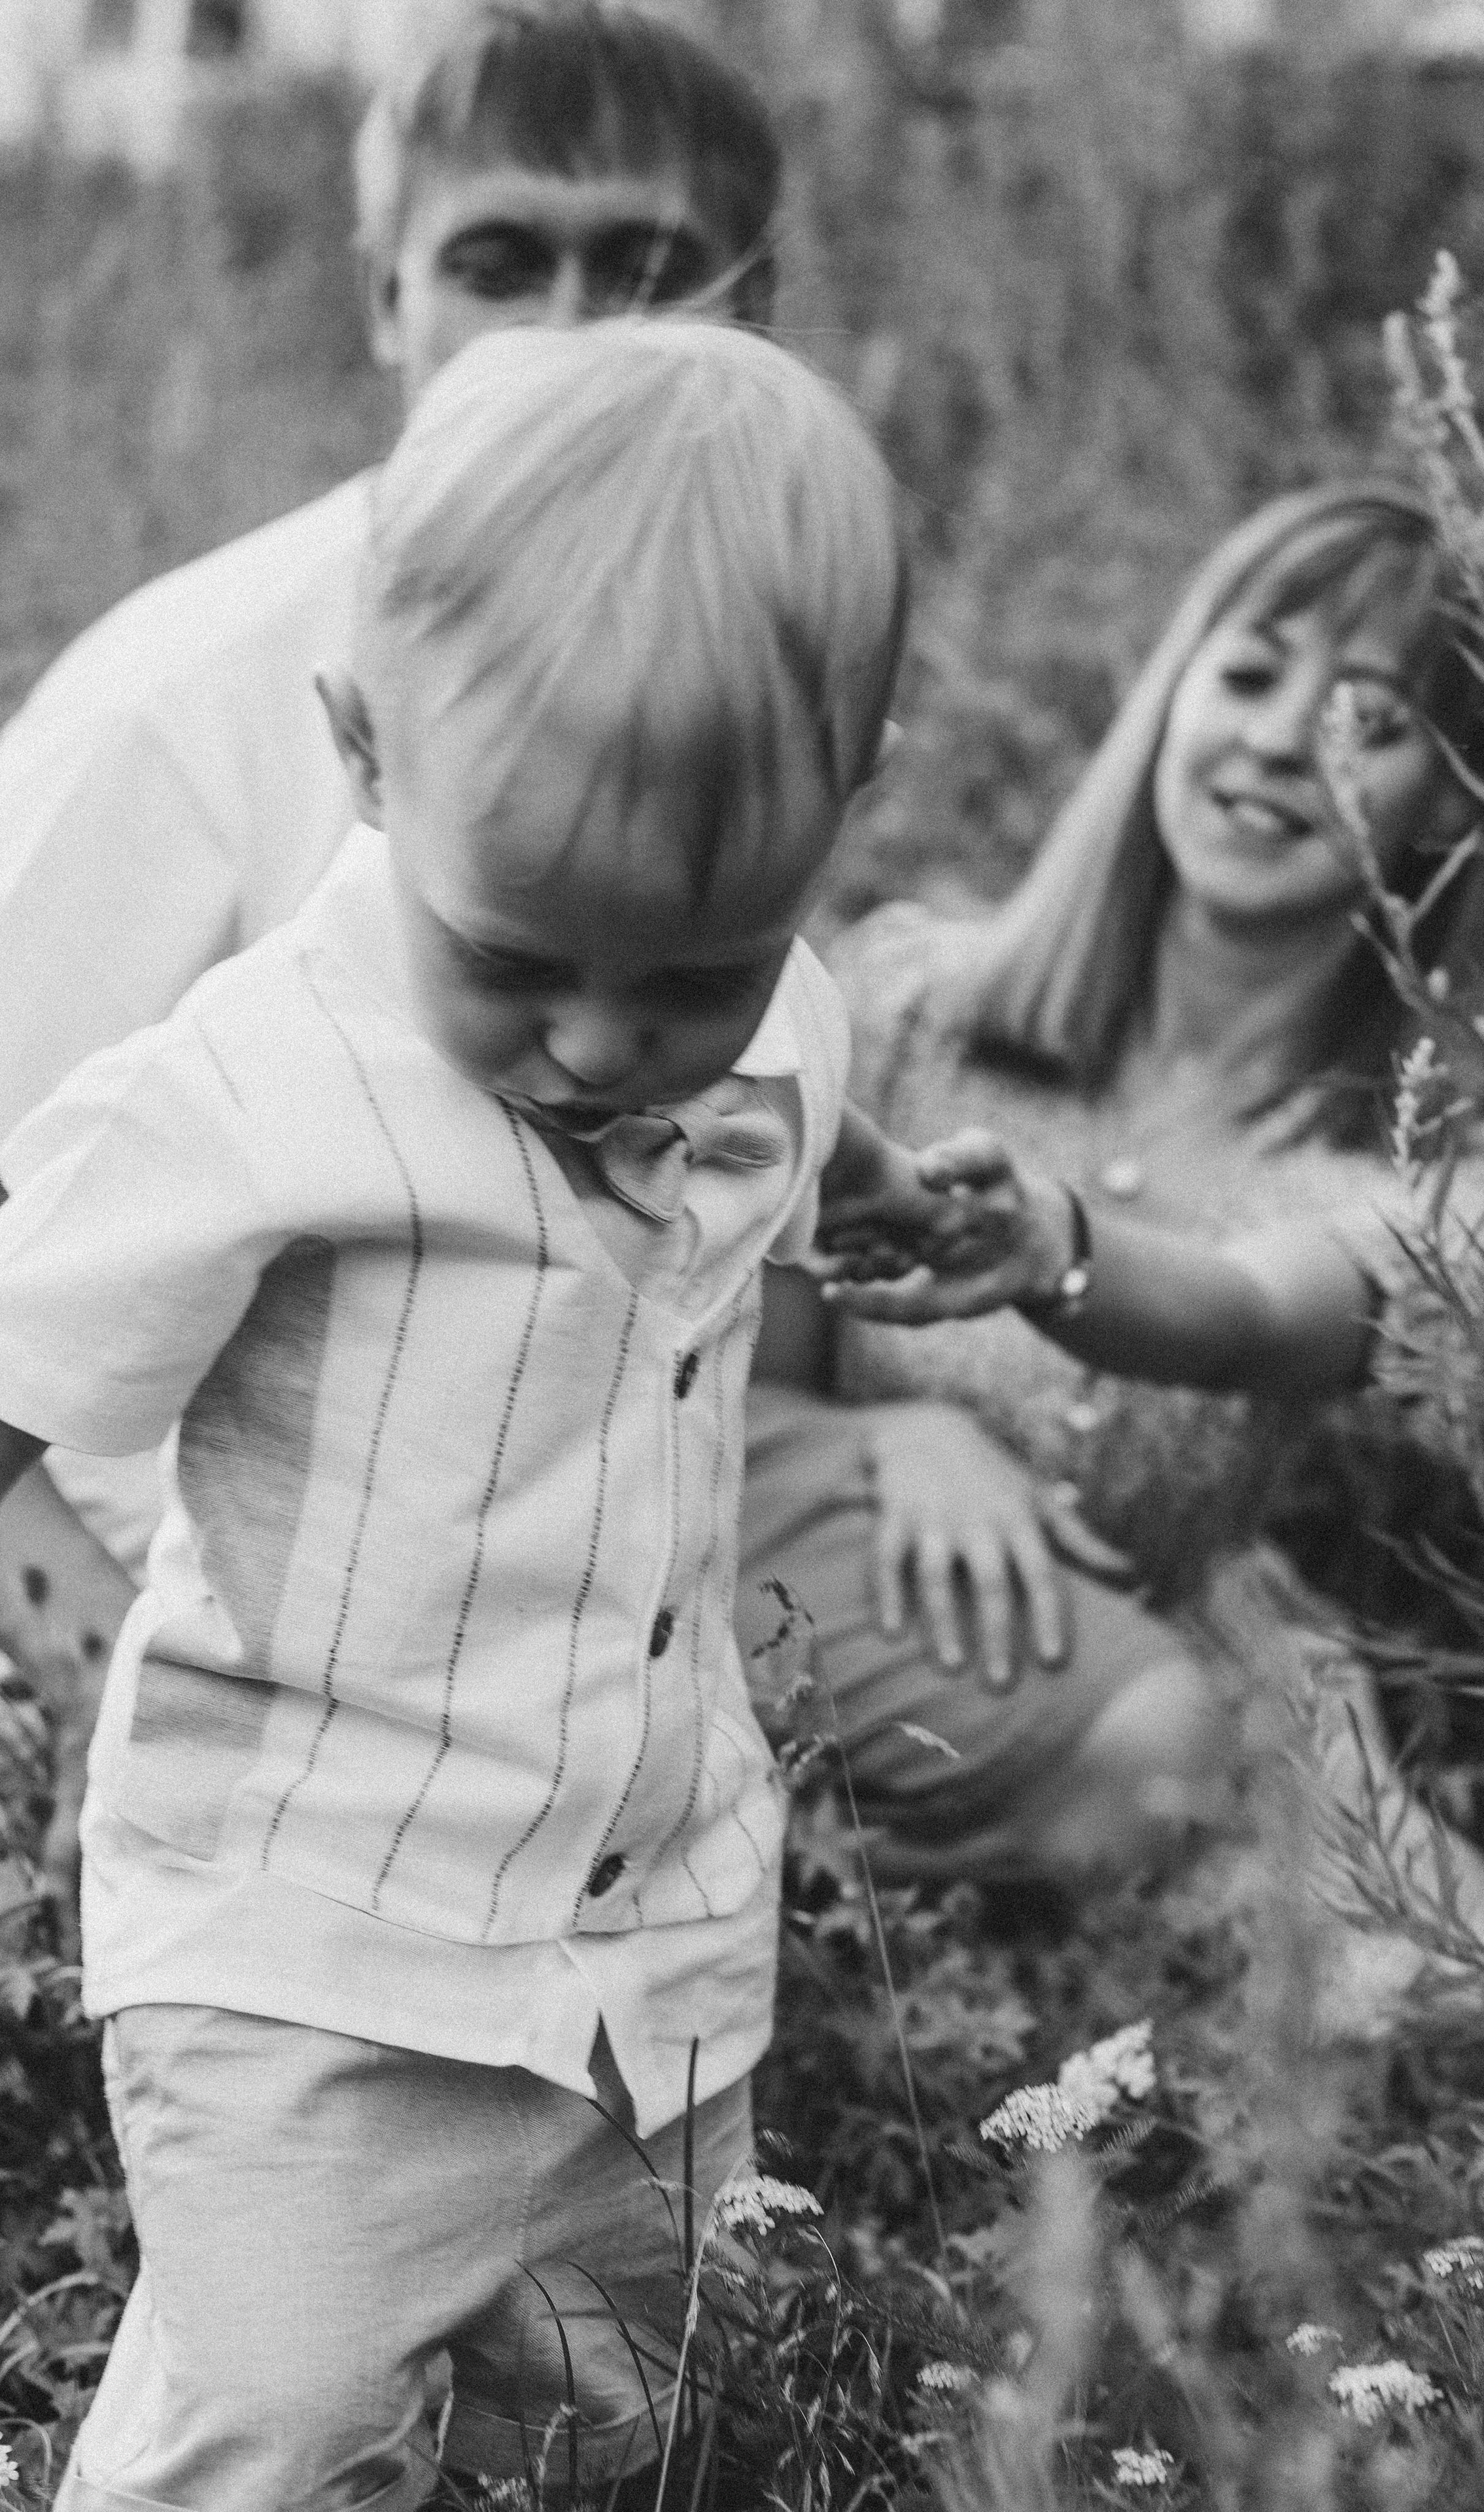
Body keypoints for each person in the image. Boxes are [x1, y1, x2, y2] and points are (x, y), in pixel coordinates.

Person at [0, 317, 930, 2512]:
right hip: (307, 1937)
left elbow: (801, 1089)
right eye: (515, 963)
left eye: (690, 975)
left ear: (844, 813)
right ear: (362, 751)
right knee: (280, 2420)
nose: (604, 1044)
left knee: (616, 2431)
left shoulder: (774, 1010)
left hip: (652, 1940)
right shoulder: (251, 1087)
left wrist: (889, 1200)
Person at [0, 0, 785, 1902]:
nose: (571, 331)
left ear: (756, 311)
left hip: (609, 1613)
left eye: (648, 266)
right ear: (383, 298)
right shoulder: (178, 707)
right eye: (503, 261)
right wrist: (113, 1722)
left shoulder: (742, 666)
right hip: (247, 1688)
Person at [739, 479, 1484, 2008]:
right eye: (1246, 675)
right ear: (1172, 696)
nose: (1279, 740)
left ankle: (914, 1920)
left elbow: (1252, 1314)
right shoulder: (909, 1001)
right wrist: (897, 1440)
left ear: (1451, 801)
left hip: (1131, 1673)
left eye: (1367, 720)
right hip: (805, 1581)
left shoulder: (1434, 1170)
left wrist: (1049, 1246)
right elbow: (738, 1389)